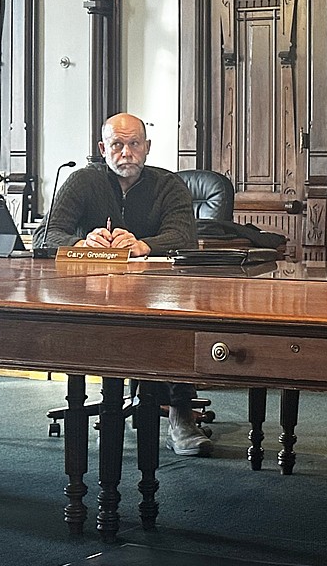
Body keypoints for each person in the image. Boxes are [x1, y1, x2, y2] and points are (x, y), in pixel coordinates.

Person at [35, 113, 211, 456]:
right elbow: (46, 235)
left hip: (157, 293)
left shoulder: (168, 184)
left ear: (146, 147)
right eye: (117, 145)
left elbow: (184, 237)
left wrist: (144, 245)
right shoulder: (81, 181)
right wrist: (81, 243)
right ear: (103, 148)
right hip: (91, 294)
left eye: (134, 144)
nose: (126, 152)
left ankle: (180, 413)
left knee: (176, 317)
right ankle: (95, 408)